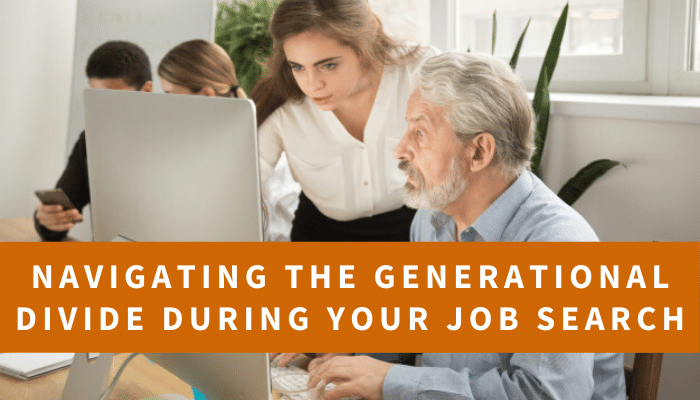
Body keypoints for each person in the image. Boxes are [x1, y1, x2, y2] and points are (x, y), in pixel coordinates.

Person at [296, 52, 626, 399]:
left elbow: (542, 394)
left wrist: (390, 382)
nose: (400, 149)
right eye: (407, 128)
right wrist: (351, 350)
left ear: (480, 152)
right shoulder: (431, 218)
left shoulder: (557, 248)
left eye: (420, 132)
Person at [252, 0, 438, 241]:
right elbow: (240, 188)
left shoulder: (419, 71)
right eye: (298, 67)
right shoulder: (283, 105)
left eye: (328, 65)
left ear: (363, 48)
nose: (312, 84)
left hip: (416, 226)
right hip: (322, 235)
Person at [157, 39, 300, 241]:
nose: (165, 107)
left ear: (206, 95)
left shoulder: (264, 152)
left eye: (169, 95)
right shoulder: (202, 150)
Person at [34, 41, 153, 241]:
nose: (103, 110)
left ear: (146, 90)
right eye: (95, 97)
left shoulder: (174, 139)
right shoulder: (90, 140)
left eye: (113, 99)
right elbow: (63, 207)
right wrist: (47, 220)